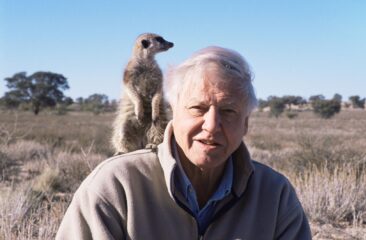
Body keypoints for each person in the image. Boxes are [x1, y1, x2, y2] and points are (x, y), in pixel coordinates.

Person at [56, 46, 311, 239]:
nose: (212, 125)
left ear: (246, 122)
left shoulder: (274, 195)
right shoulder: (116, 185)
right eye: (198, 108)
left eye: (229, 111)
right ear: (173, 112)